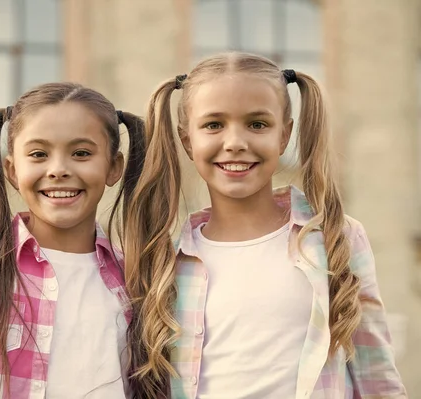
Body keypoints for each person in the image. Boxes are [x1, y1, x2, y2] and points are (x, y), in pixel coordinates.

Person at [124, 52, 407, 398]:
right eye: (214, 125)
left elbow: (377, 375)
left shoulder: (336, 238)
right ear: (187, 140)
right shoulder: (167, 261)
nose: (235, 143)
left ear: (284, 135)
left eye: (257, 124)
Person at [0, 82, 145, 399]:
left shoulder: (137, 280)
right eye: (38, 154)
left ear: (114, 167)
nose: (58, 170)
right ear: (12, 170)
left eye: (81, 153)